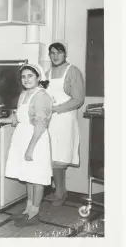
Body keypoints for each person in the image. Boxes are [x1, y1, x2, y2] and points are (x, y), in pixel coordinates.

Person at [0, 63, 53, 227]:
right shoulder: (24, 94)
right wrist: (0, 120)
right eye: (23, 76)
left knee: (37, 178)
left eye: (30, 76)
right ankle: (27, 210)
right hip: (23, 137)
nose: (26, 79)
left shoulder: (41, 95)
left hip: (36, 139)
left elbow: (41, 125)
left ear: (38, 77)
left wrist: (31, 148)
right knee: (28, 176)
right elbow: (17, 118)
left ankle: (34, 213)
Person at [45, 42, 85, 206]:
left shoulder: (72, 71)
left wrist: (56, 108)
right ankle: (59, 192)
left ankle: (61, 194)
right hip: (50, 120)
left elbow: (78, 99)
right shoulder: (47, 73)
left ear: (65, 54)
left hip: (65, 119)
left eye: (59, 53)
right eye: (52, 53)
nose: (55, 56)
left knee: (60, 157)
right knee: (53, 158)